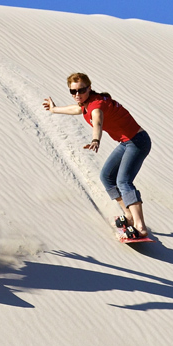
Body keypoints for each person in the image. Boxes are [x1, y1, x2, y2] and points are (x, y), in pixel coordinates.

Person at [43, 73, 151, 238]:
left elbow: (98, 121)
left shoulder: (96, 105)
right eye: (73, 92)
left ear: (89, 88)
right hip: (126, 143)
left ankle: (140, 226)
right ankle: (128, 215)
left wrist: (96, 139)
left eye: (81, 90)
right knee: (106, 177)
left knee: (123, 181)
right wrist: (54, 109)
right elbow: (77, 109)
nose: (77, 94)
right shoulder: (87, 103)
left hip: (137, 142)